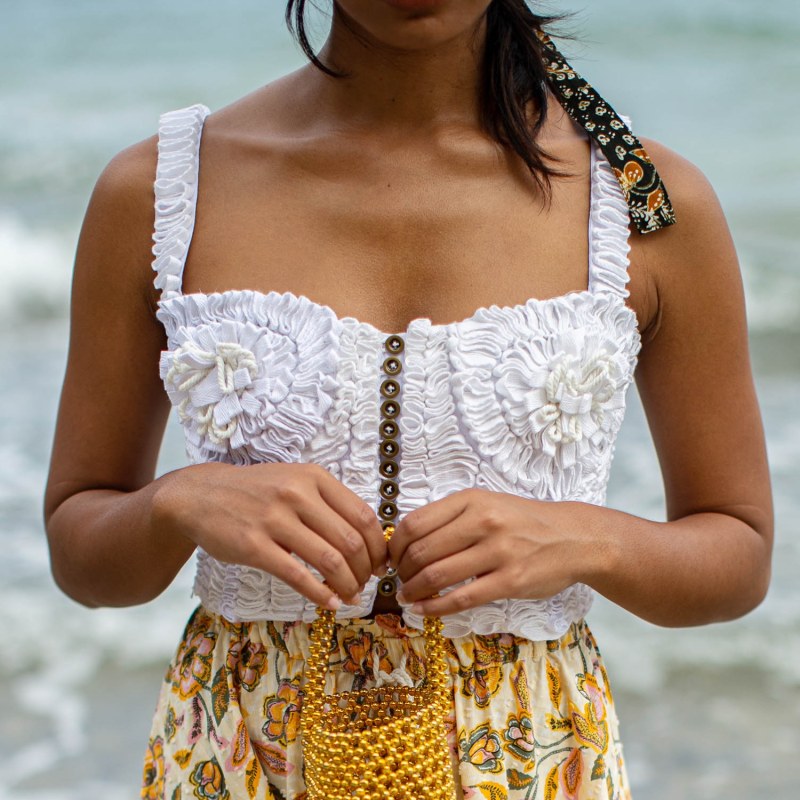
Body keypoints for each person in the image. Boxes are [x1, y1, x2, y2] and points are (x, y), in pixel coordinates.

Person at [43, 1, 773, 798]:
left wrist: (582, 538)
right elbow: (83, 552)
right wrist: (178, 502)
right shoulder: (160, 190)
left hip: (529, 764)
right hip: (241, 755)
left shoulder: (643, 202)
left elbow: (737, 555)